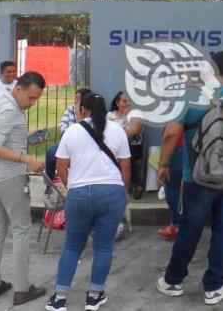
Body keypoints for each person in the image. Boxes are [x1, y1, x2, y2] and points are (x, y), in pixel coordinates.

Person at [156, 51, 223, 306]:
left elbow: (171, 133)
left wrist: (162, 164)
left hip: (197, 178)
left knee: (190, 229)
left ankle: (173, 280)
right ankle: (214, 287)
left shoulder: (192, 96)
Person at [45, 93, 131, 311]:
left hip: (80, 194)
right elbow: (126, 167)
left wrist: (71, 185)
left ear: (82, 110)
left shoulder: (73, 131)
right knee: (104, 248)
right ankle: (94, 297)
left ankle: (60, 299)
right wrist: (123, 192)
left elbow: (61, 164)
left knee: (72, 247)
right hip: (112, 193)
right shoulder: (117, 130)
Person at [0, 71, 48, 306]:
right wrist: (26, 159)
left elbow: (4, 137)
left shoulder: (1, 98)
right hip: (7, 178)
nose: (32, 103)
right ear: (18, 88)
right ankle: (22, 288)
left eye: (36, 99)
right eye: (30, 98)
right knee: (21, 229)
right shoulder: (11, 109)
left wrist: (26, 139)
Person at [45, 88, 92, 180]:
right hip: (68, 141)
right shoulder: (71, 110)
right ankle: (49, 181)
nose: (75, 101)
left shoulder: (91, 112)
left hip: (86, 144)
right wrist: (69, 135)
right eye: (75, 98)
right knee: (51, 153)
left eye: (78, 99)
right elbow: (63, 125)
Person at [108, 91, 145, 199]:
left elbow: (134, 131)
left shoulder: (136, 114)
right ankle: (127, 186)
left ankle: (130, 186)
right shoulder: (109, 116)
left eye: (130, 101)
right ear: (117, 103)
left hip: (133, 146)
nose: (128, 103)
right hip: (113, 147)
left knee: (127, 155)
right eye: (124, 101)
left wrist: (116, 132)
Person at [157, 128, 184, 240]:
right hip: (201, 150)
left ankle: (176, 225)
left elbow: (170, 133)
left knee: (172, 186)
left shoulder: (178, 111)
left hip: (179, 149)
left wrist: (162, 163)